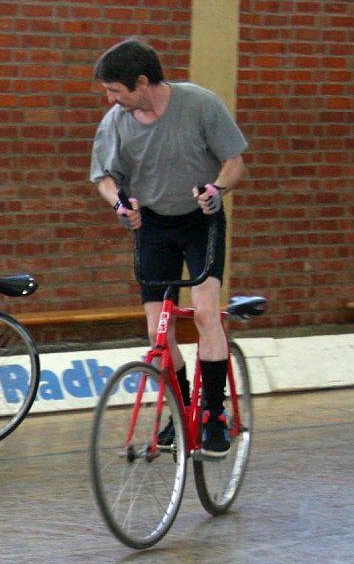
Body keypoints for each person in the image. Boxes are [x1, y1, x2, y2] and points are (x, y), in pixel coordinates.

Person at [89, 38, 247, 457]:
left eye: (115, 91)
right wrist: (120, 204)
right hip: (153, 225)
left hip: (200, 219)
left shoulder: (200, 104)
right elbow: (105, 178)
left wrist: (217, 189)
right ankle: (183, 411)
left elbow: (234, 162)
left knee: (206, 312)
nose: (110, 99)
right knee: (158, 327)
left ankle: (213, 413)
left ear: (142, 83)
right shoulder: (116, 121)